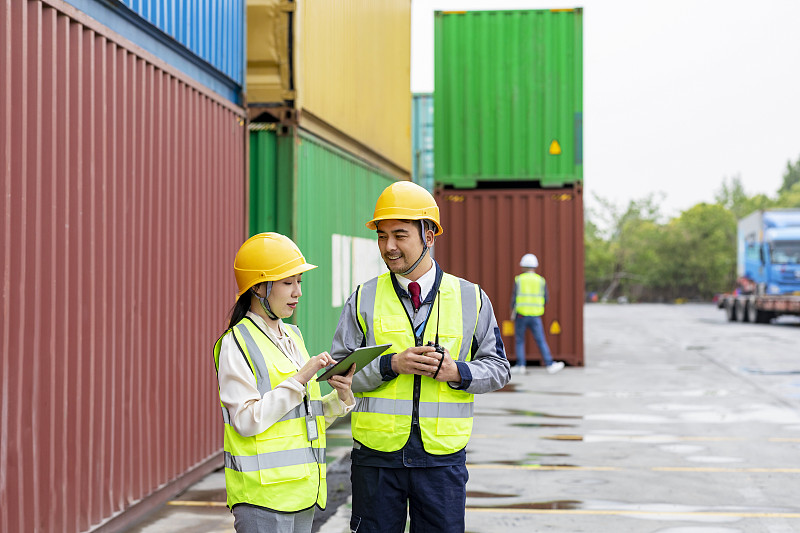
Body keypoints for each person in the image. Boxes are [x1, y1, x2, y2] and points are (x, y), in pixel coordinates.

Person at [330, 181, 511, 533]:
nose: (389, 247)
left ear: (429, 235)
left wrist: (457, 371)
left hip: (442, 462)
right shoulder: (363, 298)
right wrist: (390, 365)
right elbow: (338, 374)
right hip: (376, 460)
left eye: (400, 235)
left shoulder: (471, 298)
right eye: (382, 236)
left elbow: (499, 368)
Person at [213, 232, 356, 533]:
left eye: (299, 282)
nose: (297, 292)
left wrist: (340, 398)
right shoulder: (236, 342)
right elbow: (246, 421)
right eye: (288, 283)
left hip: (303, 494)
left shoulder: (293, 336)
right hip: (262, 500)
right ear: (259, 287)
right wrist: (300, 379)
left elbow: (304, 419)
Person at [511, 253, 565, 375]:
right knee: (540, 340)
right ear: (535, 266)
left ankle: (520, 365)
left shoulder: (519, 279)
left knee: (520, 340)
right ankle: (550, 364)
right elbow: (546, 298)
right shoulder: (541, 280)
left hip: (521, 315)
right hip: (535, 315)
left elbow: (513, 298)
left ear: (523, 266)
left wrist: (512, 311)